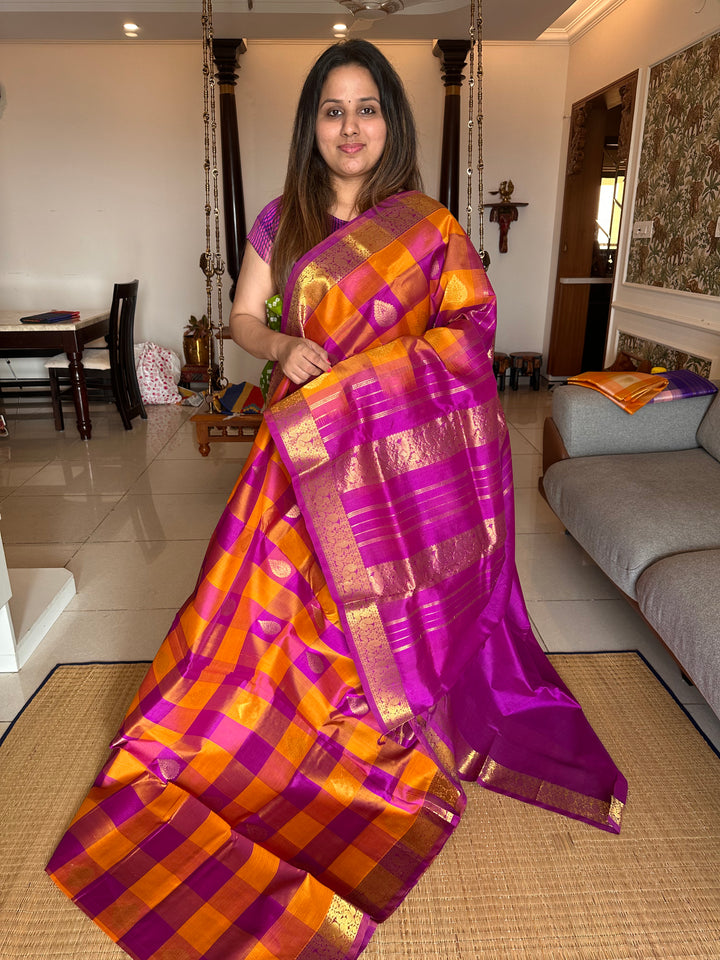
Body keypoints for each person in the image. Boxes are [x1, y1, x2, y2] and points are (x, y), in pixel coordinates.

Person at [47, 40, 626, 960]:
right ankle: (267, 746)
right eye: (332, 110)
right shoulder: (285, 219)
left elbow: (470, 330)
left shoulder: (428, 226)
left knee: (381, 606)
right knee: (261, 613)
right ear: (311, 125)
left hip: (397, 464)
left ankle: (369, 732)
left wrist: (378, 381)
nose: (350, 127)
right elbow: (244, 317)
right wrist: (281, 352)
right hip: (302, 455)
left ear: (390, 121)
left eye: (366, 108)